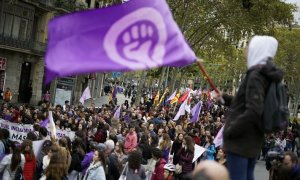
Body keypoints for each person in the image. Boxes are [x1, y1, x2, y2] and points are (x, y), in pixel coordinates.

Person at [221, 35, 283, 180]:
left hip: (241, 139)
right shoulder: (265, 74)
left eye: (250, 45)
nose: (246, 49)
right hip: (253, 138)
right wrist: (225, 98)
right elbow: (248, 103)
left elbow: (254, 110)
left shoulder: (255, 76)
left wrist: (231, 130)